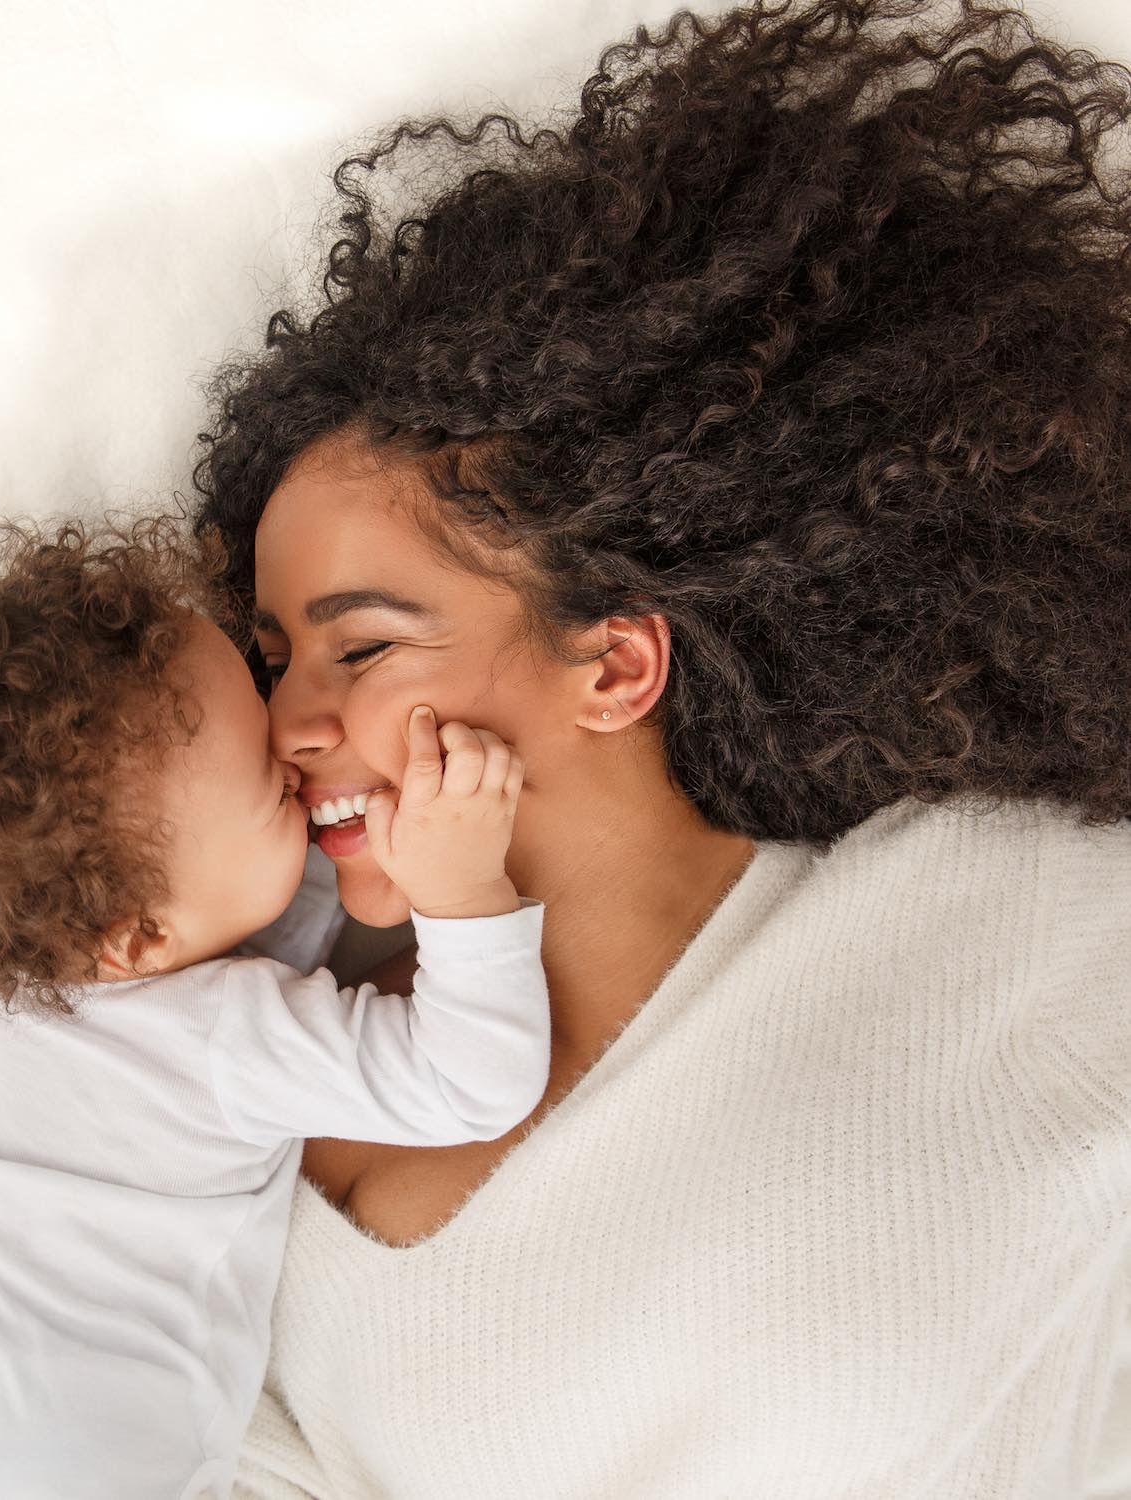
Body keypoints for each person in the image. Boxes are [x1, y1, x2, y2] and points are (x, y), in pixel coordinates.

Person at [189, 0, 1131, 1493]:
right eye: (275, 660)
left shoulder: (985, 915)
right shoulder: (267, 1146)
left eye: (363, 647)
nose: (293, 727)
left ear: (615, 662)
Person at [0, 518, 550, 1500]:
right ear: (135, 940)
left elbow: (234, 882)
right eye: (283, 790)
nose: (300, 752)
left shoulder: (20, 967)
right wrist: (462, 887)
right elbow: (471, 1084)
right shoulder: (222, 1038)